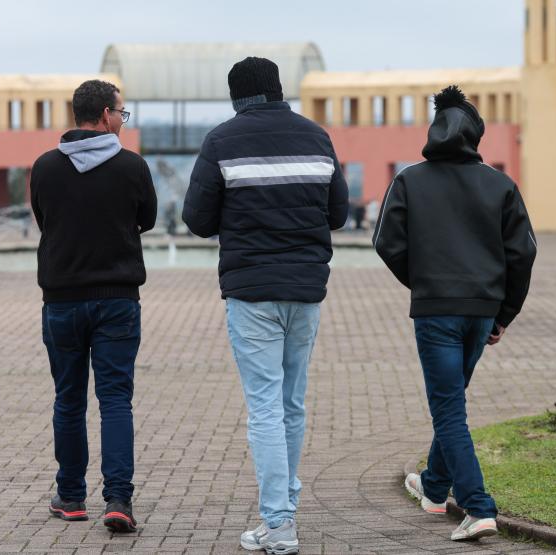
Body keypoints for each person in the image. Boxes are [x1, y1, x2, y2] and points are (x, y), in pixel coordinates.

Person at [182, 57, 348, 555]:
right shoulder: (317, 137)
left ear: (237, 97)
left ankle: (278, 524)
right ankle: (283, 513)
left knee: (265, 410)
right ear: (278, 90)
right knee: (291, 405)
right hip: (304, 291)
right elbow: (337, 213)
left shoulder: (221, 141)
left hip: (252, 292)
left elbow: (196, 219)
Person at [373, 85, 536, 541]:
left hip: (437, 312)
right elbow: (523, 254)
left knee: (448, 409)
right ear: (476, 137)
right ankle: (433, 487)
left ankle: (479, 507)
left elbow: (386, 242)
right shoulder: (501, 185)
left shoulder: (409, 180)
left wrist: (425, 285)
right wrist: (504, 313)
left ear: (435, 130)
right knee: (452, 402)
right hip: (482, 313)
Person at [30, 79, 157, 533]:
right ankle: (118, 500)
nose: (124, 119)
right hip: (118, 301)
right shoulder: (132, 167)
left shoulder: (44, 167)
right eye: (122, 112)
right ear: (105, 115)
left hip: (61, 302)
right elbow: (148, 219)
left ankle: (71, 497)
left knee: (68, 400)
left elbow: (44, 219)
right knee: (115, 401)